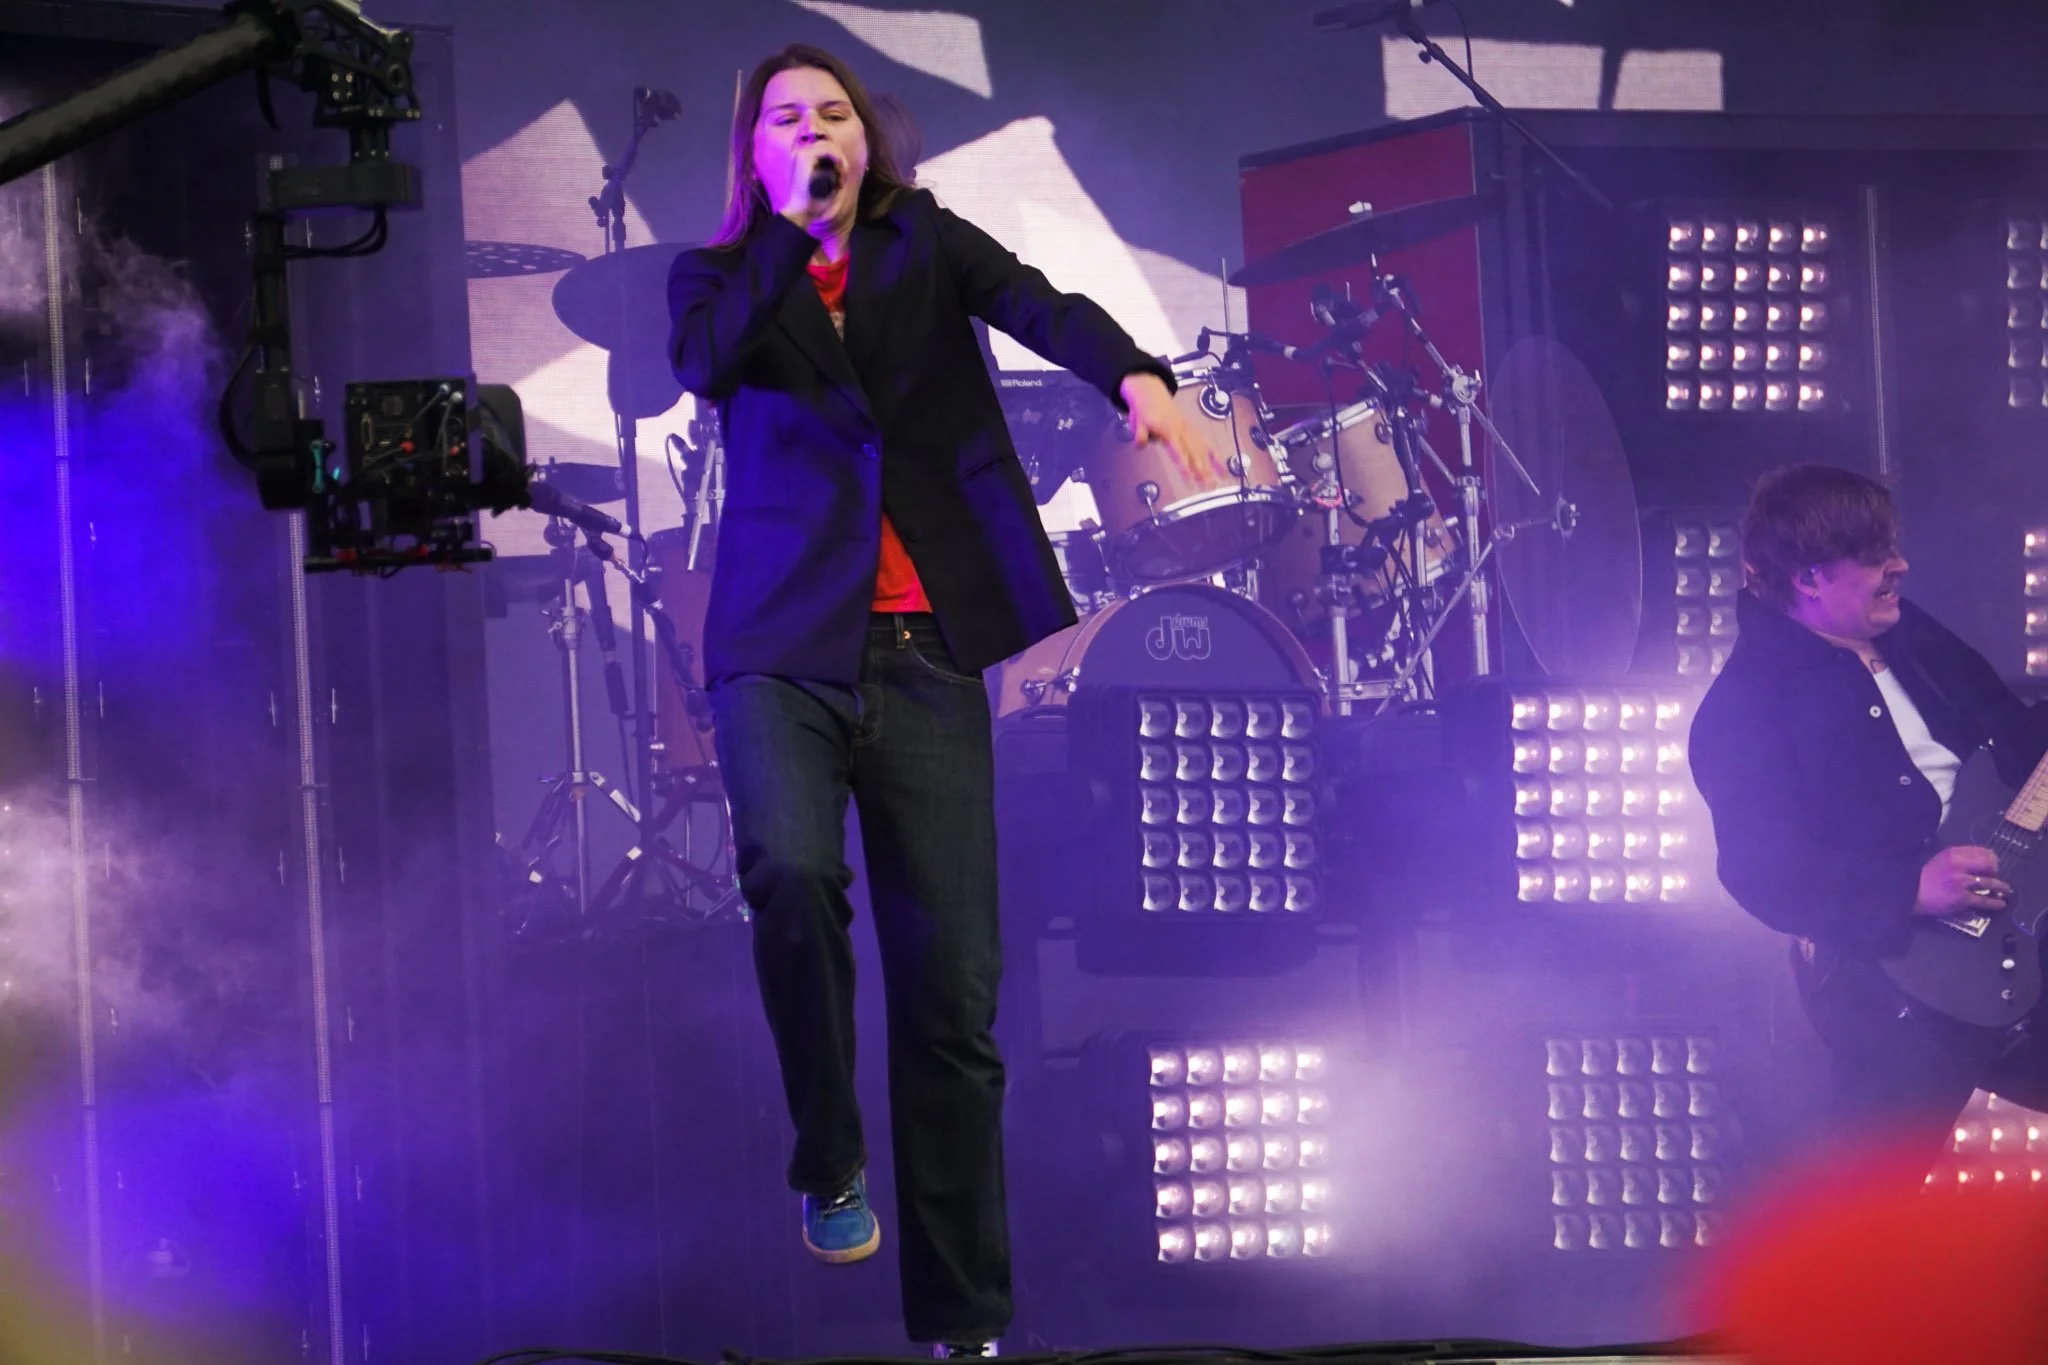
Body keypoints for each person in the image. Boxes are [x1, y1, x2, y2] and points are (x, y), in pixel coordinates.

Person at [666, 43, 1210, 1356]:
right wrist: (795, 239)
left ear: (870, 134)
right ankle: (829, 1157)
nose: (816, 132)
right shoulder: (720, 276)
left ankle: (965, 1323)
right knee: (791, 876)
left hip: (920, 654)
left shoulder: (926, 243)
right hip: (782, 648)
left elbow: (1040, 304)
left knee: (952, 993)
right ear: (756, 150)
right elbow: (702, 366)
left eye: (834, 114)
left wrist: (1134, 374)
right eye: (789, 120)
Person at [1690, 464, 2048, 1160]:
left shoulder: (1908, 634)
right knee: (1865, 1209)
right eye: (1875, 555)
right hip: (1899, 979)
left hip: (2021, 912)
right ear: (1810, 578)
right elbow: (1760, 870)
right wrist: (1910, 888)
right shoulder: (1743, 708)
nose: (1900, 566)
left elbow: (2009, 733)